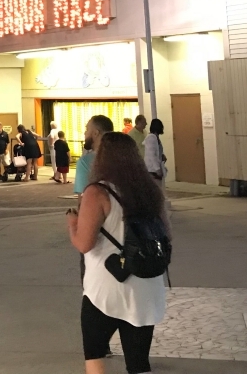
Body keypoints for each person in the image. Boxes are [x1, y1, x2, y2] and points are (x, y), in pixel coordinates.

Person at [67, 132, 170, 374]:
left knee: (94, 353)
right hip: (146, 286)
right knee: (139, 363)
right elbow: (167, 235)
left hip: (106, 288)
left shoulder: (97, 192)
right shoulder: (150, 191)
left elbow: (84, 244)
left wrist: (72, 224)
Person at [74, 115, 114, 197]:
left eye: (87, 129)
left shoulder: (85, 162)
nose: (85, 133)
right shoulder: (123, 158)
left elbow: (83, 199)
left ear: (95, 133)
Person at [142, 119, 168, 186]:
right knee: (156, 187)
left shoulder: (155, 137)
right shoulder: (151, 138)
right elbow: (152, 154)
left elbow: (156, 152)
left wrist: (162, 155)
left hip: (154, 169)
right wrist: (157, 169)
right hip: (152, 170)